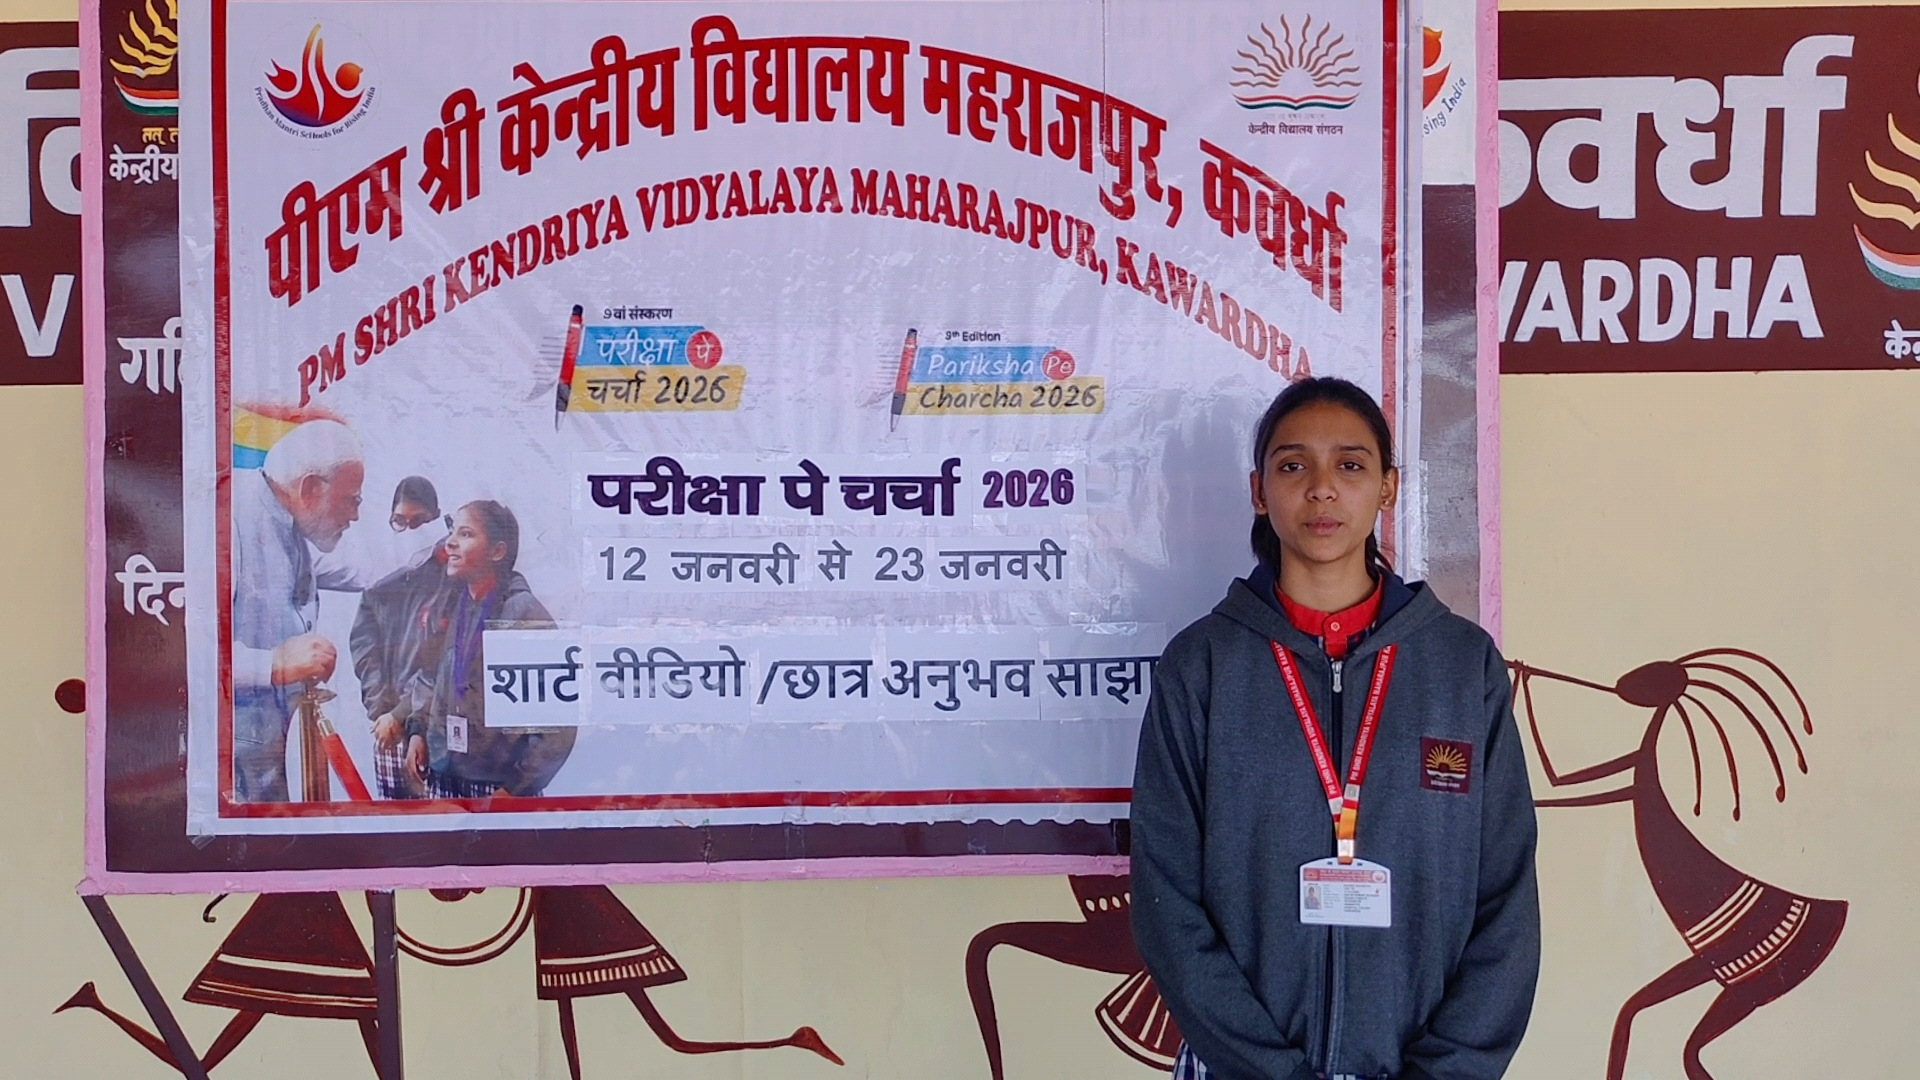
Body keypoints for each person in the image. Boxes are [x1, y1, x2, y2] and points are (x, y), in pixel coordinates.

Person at [1131, 377, 1539, 1080]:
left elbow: (1506, 899)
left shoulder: (1461, 667)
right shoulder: (1201, 667)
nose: (1322, 488)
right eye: (1294, 465)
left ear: (1388, 488)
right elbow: (1168, 899)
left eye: (1350, 465)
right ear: (1260, 492)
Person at [231, 419, 366, 802]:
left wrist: (439, 548)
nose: (355, 515)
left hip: (268, 758)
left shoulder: (292, 522)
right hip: (230, 774)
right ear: (309, 489)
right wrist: (273, 665)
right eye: (351, 500)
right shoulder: (226, 521)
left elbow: (362, 569)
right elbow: (179, 657)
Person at [404, 500, 577, 798]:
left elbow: (558, 724)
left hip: (499, 790)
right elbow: (432, 677)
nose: (450, 543)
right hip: (444, 777)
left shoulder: (524, 616)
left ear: (497, 552)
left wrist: (516, 788)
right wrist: (418, 731)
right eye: (452, 531)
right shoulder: (453, 605)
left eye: (466, 534)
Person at [348, 477, 451, 799]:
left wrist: (403, 714)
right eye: (399, 521)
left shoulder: (454, 574)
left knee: (445, 820)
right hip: (389, 731)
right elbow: (365, 651)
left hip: (436, 729)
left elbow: (443, 661)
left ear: (436, 518)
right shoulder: (381, 580)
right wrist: (381, 712)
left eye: (418, 521)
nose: (409, 530)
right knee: (394, 821)